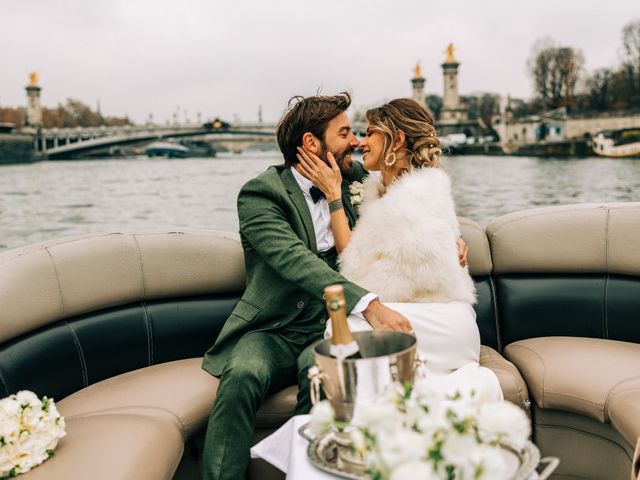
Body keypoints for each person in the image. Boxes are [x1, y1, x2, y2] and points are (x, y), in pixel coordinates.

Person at [200, 92, 445, 480]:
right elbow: (294, 261)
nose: (356, 142)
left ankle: (307, 471)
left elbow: (411, 202)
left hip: (331, 327)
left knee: (324, 376)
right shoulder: (261, 194)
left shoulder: (357, 179)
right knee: (242, 375)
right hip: (274, 328)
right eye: (345, 133)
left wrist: (454, 236)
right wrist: (370, 304)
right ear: (312, 144)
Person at [296, 98, 502, 400]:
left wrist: (333, 196)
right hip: (423, 313)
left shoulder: (411, 197)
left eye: (370, 133)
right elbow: (363, 253)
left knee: (339, 331)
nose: (361, 143)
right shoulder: (384, 187)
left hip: (443, 322)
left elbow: (353, 268)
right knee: (342, 331)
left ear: (397, 140)